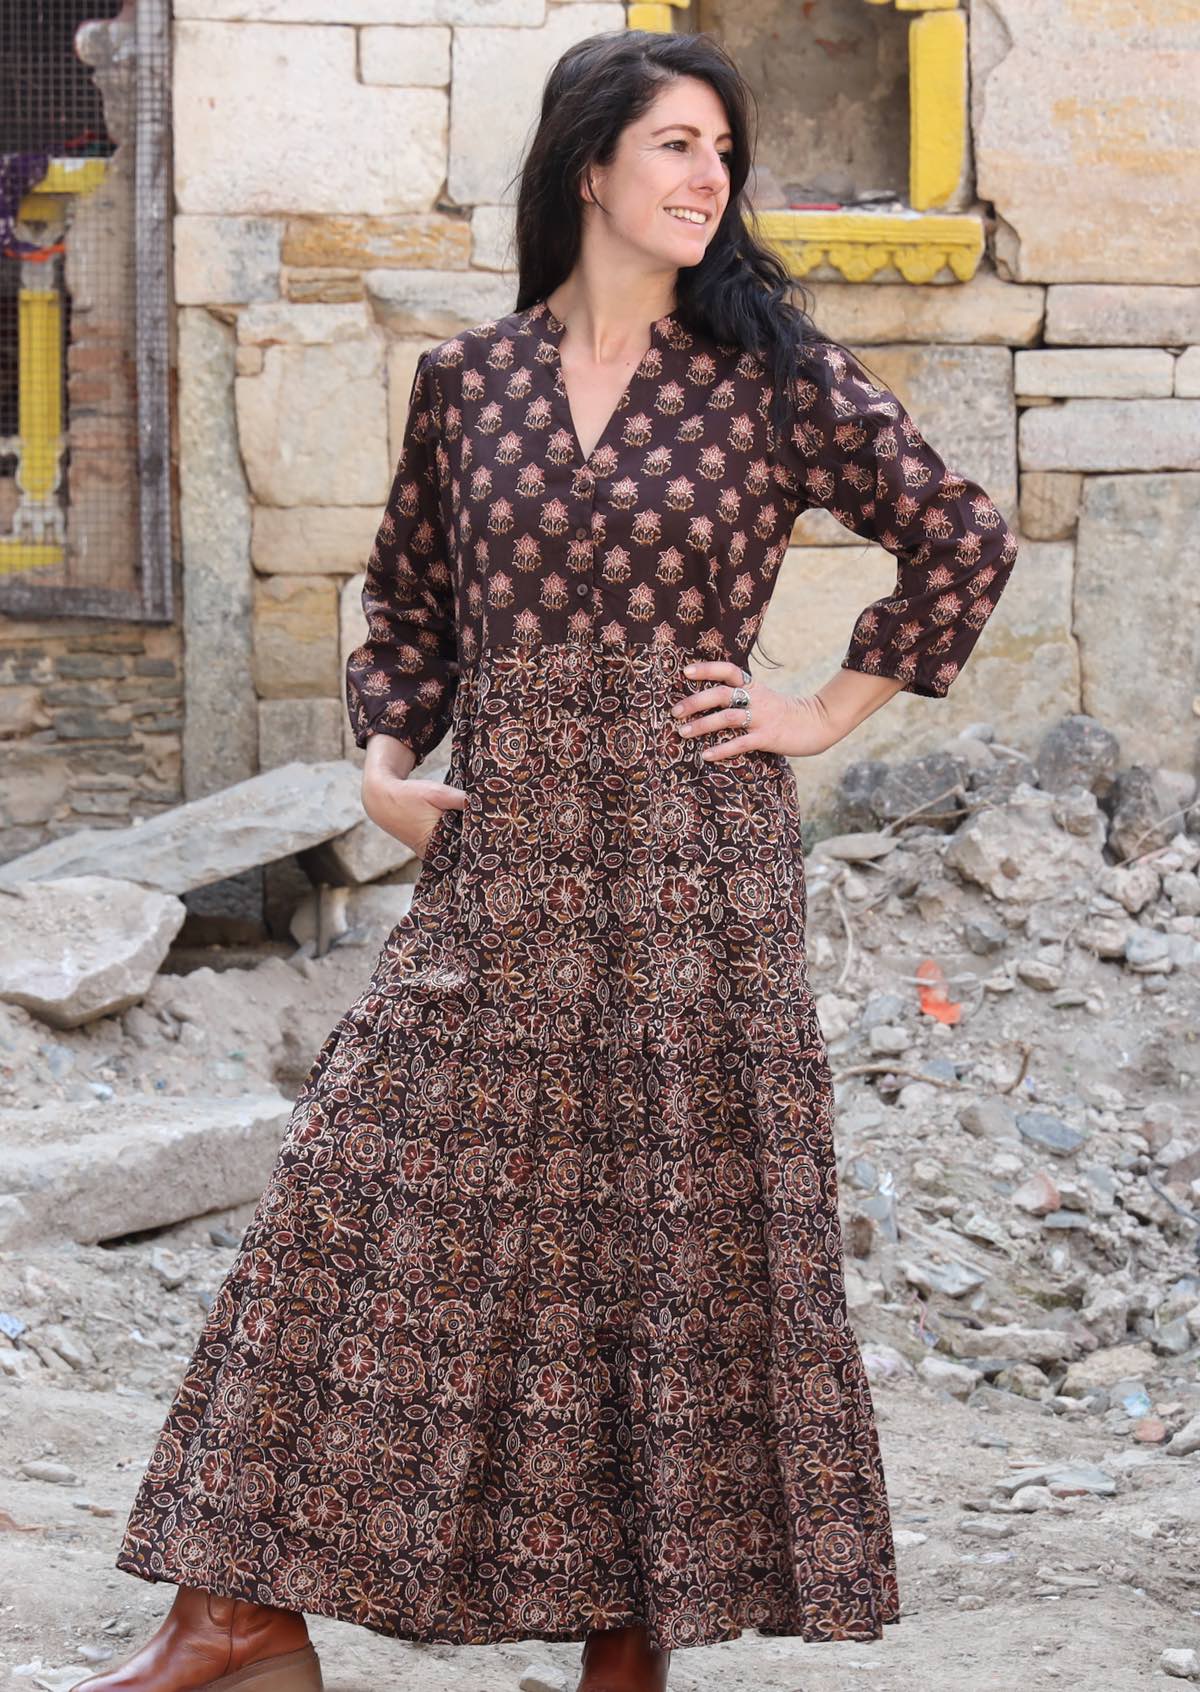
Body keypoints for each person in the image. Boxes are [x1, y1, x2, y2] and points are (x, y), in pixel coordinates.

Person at [87, 27, 1018, 1692]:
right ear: (587, 167)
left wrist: (823, 708)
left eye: (723, 151)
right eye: (675, 144)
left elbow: (960, 531)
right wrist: (380, 766)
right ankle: (235, 1617)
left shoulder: (774, 379)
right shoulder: (475, 382)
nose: (707, 176)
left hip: (689, 868)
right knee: (347, 1198)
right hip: (505, 859)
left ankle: (626, 1647)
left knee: (661, 1246)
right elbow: (415, 603)